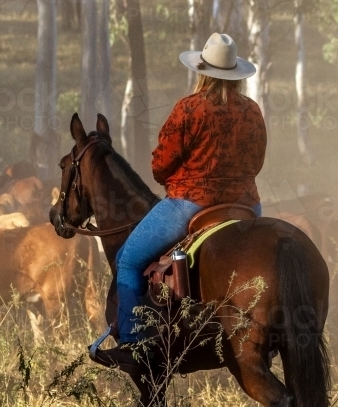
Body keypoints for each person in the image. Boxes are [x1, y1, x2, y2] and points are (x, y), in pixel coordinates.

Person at [94, 32, 265, 369]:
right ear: (234, 74)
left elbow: (160, 166)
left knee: (128, 259)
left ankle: (133, 344)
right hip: (245, 206)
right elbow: (257, 162)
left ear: (202, 71)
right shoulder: (252, 110)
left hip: (192, 203)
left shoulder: (189, 108)